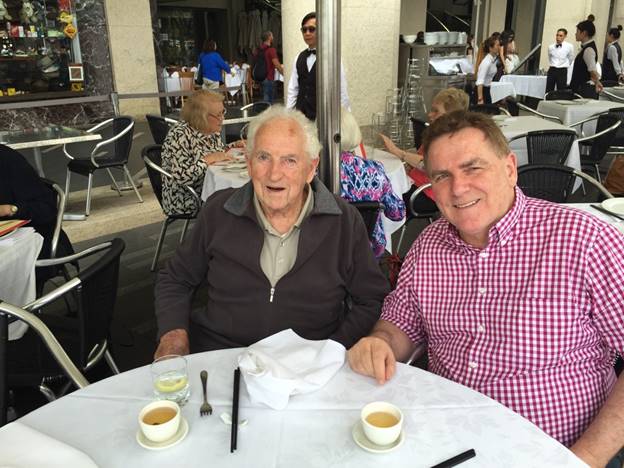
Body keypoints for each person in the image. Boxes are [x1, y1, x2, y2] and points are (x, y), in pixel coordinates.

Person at [347, 110, 624, 467]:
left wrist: (583, 460)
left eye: (473, 168)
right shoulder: (429, 245)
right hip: (448, 444)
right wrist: (380, 343)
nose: (458, 188)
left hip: (556, 450)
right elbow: (402, 323)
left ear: (510, 168)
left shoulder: (584, 240)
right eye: (442, 176)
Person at [154, 105, 389, 356]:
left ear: (310, 168)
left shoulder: (343, 222)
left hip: (307, 365)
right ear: (249, 162)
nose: (275, 174)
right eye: (264, 157)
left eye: (289, 160)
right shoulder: (219, 212)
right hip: (224, 358)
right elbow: (176, 278)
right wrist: (174, 335)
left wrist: (333, 349)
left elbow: (372, 299)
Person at [381, 88, 470, 213]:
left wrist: (398, 152)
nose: (430, 114)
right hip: (415, 185)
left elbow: (429, 165)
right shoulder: (437, 133)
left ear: (451, 116)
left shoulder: (451, 140)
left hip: (426, 194)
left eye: (436, 111)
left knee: (380, 199)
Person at [161, 90, 244, 216]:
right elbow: (181, 177)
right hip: (185, 197)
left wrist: (234, 145)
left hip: (209, 187)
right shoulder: (180, 135)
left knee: (243, 195)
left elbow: (217, 153)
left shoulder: (210, 129)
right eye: (218, 114)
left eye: (223, 112)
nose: (223, 118)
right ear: (201, 116)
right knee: (238, 200)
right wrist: (206, 161)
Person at [338, 109, 405, 258]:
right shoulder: (374, 170)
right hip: (367, 254)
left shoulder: (311, 173)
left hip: (324, 254)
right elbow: (397, 213)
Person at [286, 11, 351, 120]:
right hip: (301, 118)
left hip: (323, 120)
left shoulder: (332, 58)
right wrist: (288, 116)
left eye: (311, 29)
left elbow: (341, 91)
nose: (307, 33)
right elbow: (293, 89)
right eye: (304, 29)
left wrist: (346, 120)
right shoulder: (298, 58)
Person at [570, 19, 603, 98]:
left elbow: (592, 69)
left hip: (583, 90)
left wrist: (597, 82)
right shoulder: (587, 47)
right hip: (581, 88)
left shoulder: (588, 50)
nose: (575, 34)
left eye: (577, 31)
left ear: (584, 33)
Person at [257, 30, 284, 104]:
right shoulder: (271, 50)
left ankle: (265, 113)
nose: (273, 37)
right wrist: (283, 73)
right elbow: (276, 64)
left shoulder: (258, 49)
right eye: (272, 35)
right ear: (269, 37)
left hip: (260, 77)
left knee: (264, 98)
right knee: (269, 101)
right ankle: (267, 114)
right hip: (269, 77)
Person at [546, 28, 575, 92]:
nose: (558, 37)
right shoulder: (551, 47)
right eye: (557, 35)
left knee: (561, 90)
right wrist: (553, 64)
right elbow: (550, 58)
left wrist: (565, 65)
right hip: (552, 69)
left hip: (562, 70)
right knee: (549, 89)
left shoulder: (569, 46)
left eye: (560, 35)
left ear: (565, 36)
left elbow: (571, 58)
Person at [475, 35, 501, 104]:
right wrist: (480, 99)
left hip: (487, 89)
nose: (499, 47)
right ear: (490, 48)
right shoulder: (486, 62)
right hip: (482, 91)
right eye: (497, 45)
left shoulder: (492, 60)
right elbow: (480, 81)